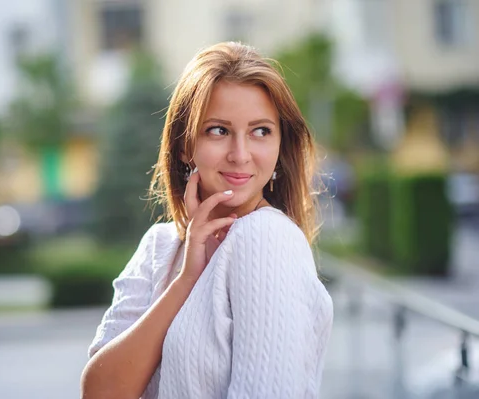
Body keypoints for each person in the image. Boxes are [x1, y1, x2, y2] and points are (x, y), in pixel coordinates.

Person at [80, 42, 334, 399]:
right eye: (218, 130)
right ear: (186, 145)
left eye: (261, 131)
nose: (240, 155)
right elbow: (99, 392)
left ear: (280, 146)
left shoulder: (268, 237)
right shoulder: (161, 246)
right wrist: (186, 280)